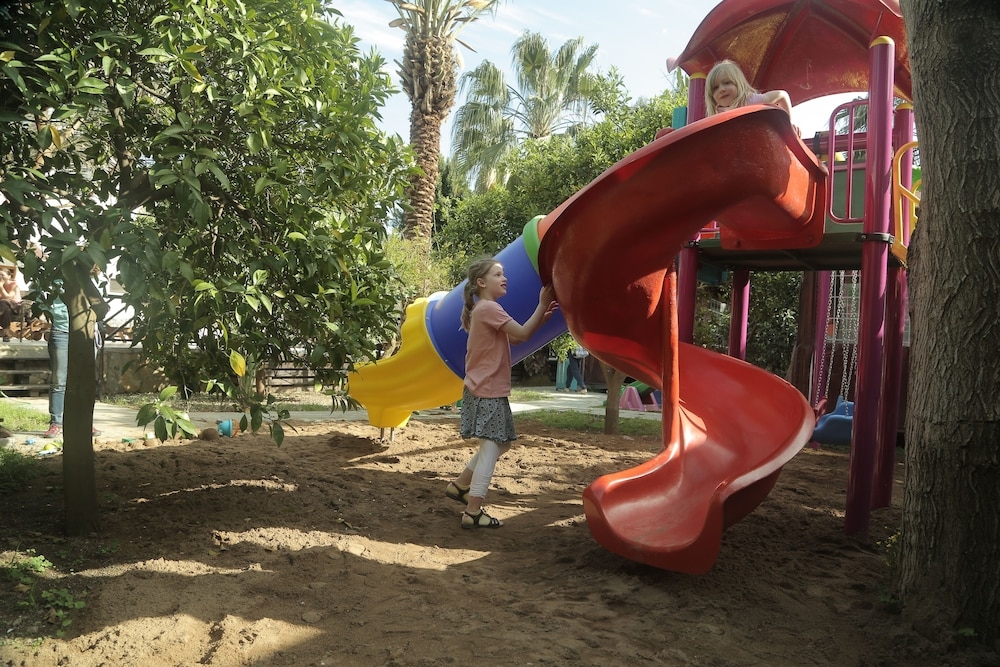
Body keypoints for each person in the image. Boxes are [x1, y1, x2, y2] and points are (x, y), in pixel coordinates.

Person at [444, 258, 557, 529]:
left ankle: (460, 486)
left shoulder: (485, 310)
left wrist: (541, 318)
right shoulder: (489, 309)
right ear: (482, 283)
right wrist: (541, 304)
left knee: (500, 444)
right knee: (493, 446)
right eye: (498, 274)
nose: (504, 278)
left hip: (485, 388)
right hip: (487, 390)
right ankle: (473, 510)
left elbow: (517, 338)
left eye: (503, 274)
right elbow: (523, 333)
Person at [705, 59, 795, 124]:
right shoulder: (717, 114)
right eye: (715, 88)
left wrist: (789, 123)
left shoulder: (750, 101)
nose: (721, 89)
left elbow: (782, 95)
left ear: (739, 84)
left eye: (727, 83)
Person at [42, 294, 69, 438]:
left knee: (82, 381)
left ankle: (83, 422)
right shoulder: (56, 272)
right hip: (61, 331)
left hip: (86, 331)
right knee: (59, 380)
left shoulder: (91, 273)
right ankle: (56, 422)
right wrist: (54, 314)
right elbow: (38, 291)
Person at [0, 265, 28, 341]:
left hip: (17, 307)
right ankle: (6, 333)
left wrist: (1, 287)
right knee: (6, 310)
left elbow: (8, 297)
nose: (0, 277)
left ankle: (5, 331)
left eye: (2, 275)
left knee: (4, 302)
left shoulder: (13, 285)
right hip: (6, 310)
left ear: (9, 276)